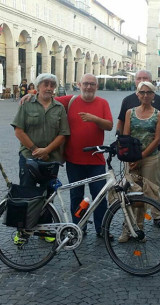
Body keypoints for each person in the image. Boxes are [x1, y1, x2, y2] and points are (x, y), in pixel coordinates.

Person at [54, 74, 113, 239]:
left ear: (97, 86)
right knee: (76, 196)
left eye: (92, 84)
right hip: (74, 160)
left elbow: (109, 125)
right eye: (85, 84)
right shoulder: (70, 101)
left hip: (96, 160)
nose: (88, 87)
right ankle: (79, 228)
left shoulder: (103, 103)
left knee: (99, 197)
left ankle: (101, 229)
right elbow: (47, 98)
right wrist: (30, 95)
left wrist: (94, 119)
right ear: (79, 84)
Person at [116, 69, 160, 228]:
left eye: (145, 78)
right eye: (139, 78)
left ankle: (156, 215)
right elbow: (121, 123)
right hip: (132, 154)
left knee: (154, 185)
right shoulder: (128, 101)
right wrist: (121, 145)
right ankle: (133, 222)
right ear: (136, 87)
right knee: (133, 187)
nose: (145, 94)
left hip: (155, 151)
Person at [120, 81, 160, 242]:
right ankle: (127, 228)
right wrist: (133, 157)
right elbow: (126, 136)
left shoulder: (158, 114)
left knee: (144, 195)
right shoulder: (130, 113)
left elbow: (157, 139)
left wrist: (141, 156)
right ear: (137, 94)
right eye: (142, 92)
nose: (145, 95)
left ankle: (139, 229)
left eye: (149, 92)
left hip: (150, 159)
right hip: (132, 159)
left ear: (153, 95)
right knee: (129, 194)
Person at [11, 73, 69, 187]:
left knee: (48, 196)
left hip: (51, 159)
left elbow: (63, 134)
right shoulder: (26, 104)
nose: (49, 88)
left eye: (52, 85)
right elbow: (18, 131)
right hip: (28, 157)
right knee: (27, 195)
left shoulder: (59, 107)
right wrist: (36, 150)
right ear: (38, 87)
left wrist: (46, 151)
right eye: (45, 84)